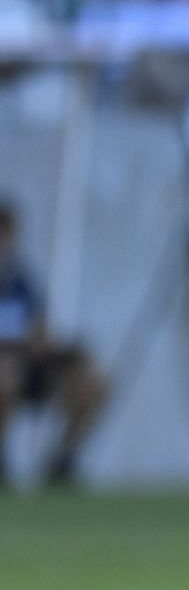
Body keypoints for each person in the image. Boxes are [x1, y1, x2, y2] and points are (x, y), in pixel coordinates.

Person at [0, 201, 109, 489]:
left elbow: (42, 329)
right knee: (4, 375)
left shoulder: (22, 281)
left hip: (32, 365)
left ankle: (62, 461)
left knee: (93, 382)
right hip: (8, 369)